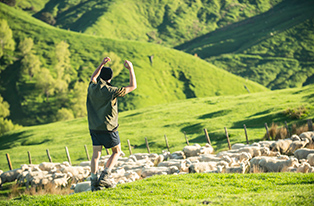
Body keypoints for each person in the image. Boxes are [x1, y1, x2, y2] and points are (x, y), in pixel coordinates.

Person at [86, 56, 137, 191]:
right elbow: (133, 86)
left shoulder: (92, 88)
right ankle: (105, 176)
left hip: (94, 128)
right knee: (117, 151)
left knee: (96, 155)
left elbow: (93, 77)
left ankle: (93, 181)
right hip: (109, 128)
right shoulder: (112, 91)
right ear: (110, 78)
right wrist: (131, 68)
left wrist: (101, 64)